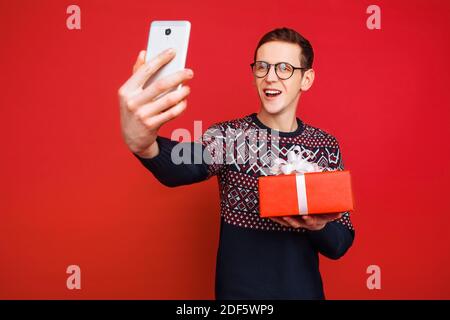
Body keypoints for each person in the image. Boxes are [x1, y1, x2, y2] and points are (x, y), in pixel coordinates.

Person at [118, 27, 355, 299]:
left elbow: (340, 243)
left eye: (284, 68)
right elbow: (180, 167)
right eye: (262, 67)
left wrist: (318, 226)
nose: (270, 77)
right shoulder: (229, 137)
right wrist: (144, 143)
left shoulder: (324, 145)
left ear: (306, 78)